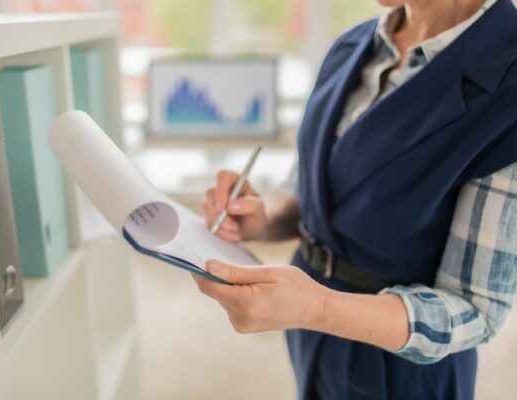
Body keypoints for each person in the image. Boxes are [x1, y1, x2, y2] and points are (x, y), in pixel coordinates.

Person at [194, 0, 517, 398]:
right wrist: (264, 215)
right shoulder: (353, 45)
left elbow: (474, 309)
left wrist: (317, 308)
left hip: (401, 367)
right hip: (311, 331)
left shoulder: (509, 86)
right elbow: (314, 183)